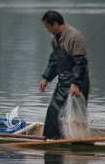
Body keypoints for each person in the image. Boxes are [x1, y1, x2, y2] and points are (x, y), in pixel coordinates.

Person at [38, 10, 90, 140]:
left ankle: (77, 143)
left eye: (48, 27)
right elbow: (54, 60)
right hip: (62, 82)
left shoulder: (75, 36)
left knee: (74, 117)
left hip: (77, 82)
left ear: (55, 24)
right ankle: (53, 141)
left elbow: (80, 62)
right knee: (53, 112)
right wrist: (46, 78)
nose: (47, 30)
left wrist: (75, 84)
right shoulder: (54, 39)